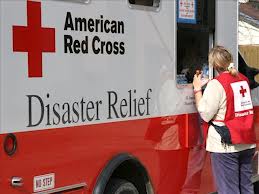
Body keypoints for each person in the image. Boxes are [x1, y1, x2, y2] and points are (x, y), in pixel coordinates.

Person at [192, 45, 256, 194]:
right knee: (246, 188)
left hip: (225, 146)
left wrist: (197, 89)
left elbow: (205, 113)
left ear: (214, 65)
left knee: (229, 190)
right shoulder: (243, 80)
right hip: (246, 142)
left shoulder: (217, 84)